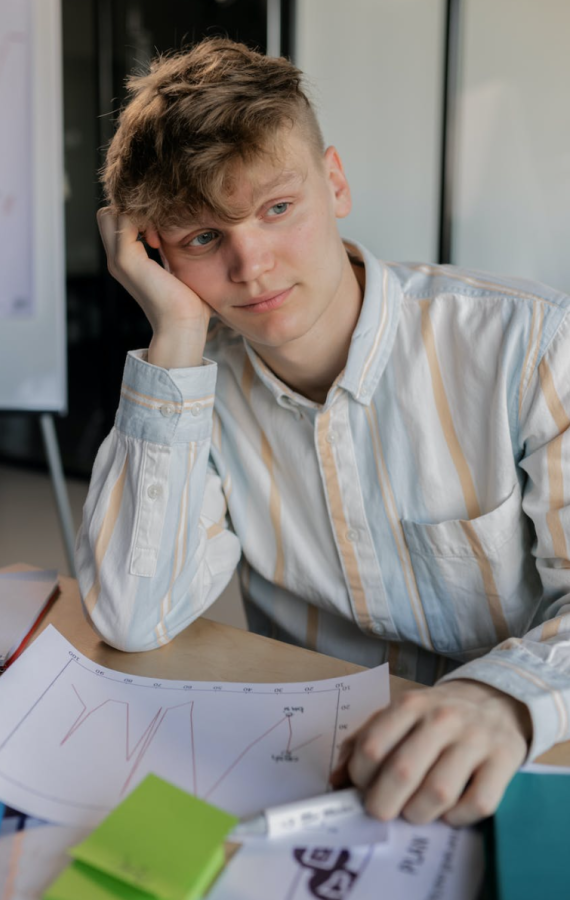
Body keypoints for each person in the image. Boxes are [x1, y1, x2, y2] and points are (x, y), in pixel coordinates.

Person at [76, 37, 570, 827]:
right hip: (314, 781)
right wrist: (172, 335)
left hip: (524, 762)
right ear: (154, 251)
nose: (253, 266)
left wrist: (503, 699)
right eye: (204, 237)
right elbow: (133, 617)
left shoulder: (532, 345)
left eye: (277, 209)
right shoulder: (196, 390)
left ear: (333, 182)